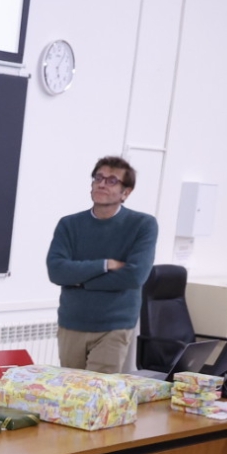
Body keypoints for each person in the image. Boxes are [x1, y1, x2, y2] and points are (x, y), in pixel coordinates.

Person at [46, 156, 159, 373]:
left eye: (112, 181)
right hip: (71, 322)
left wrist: (80, 282)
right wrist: (105, 264)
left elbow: (135, 276)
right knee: (71, 389)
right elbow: (57, 271)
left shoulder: (143, 225)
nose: (102, 184)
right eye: (98, 178)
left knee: (97, 389)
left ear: (126, 192)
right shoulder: (69, 224)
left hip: (114, 325)